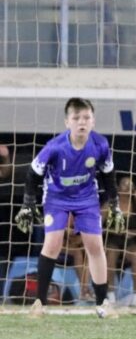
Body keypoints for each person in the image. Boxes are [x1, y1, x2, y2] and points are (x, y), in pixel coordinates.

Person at [14, 97, 125, 318]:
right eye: (76, 118)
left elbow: (108, 175)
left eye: (86, 117)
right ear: (67, 122)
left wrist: (114, 205)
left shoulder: (100, 145)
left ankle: (102, 304)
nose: (82, 122)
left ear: (93, 121)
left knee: (95, 246)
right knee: (53, 243)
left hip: (87, 198)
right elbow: (33, 173)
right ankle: (39, 303)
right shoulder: (55, 147)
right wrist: (28, 204)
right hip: (56, 198)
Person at [105, 174, 136, 306]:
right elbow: (96, 226)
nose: (127, 187)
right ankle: (111, 295)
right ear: (118, 188)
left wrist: (132, 232)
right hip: (113, 239)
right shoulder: (110, 204)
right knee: (111, 253)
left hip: (131, 241)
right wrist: (112, 231)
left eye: (130, 185)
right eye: (124, 184)